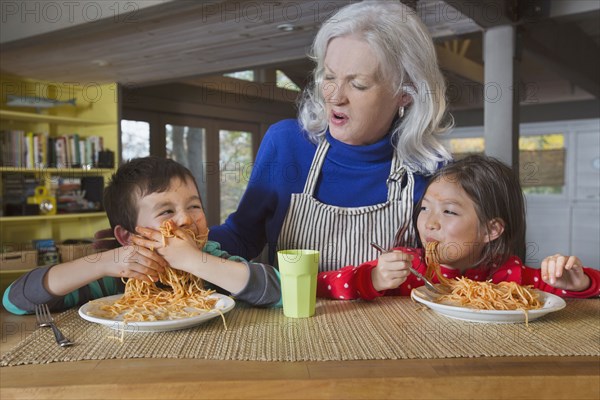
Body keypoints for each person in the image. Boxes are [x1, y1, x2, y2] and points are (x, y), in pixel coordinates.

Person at [209, 1, 453, 271]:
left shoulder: (431, 170)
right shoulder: (286, 144)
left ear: (405, 92)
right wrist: (183, 244)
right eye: (329, 76)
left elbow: (449, 266)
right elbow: (241, 237)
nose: (335, 97)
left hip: (397, 316)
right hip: (294, 315)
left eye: (358, 84)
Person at [3, 157, 281, 314]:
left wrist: (195, 262)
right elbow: (16, 300)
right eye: (166, 211)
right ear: (127, 237)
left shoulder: (210, 258)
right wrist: (103, 263)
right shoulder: (115, 279)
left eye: (194, 206)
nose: (185, 219)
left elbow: (280, 291)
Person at [318, 155, 600, 300]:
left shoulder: (510, 277)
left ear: (492, 230)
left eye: (449, 211)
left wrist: (577, 283)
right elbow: (321, 286)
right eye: (425, 207)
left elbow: (583, 289)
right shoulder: (409, 269)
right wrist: (373, 278)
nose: (430, 222)